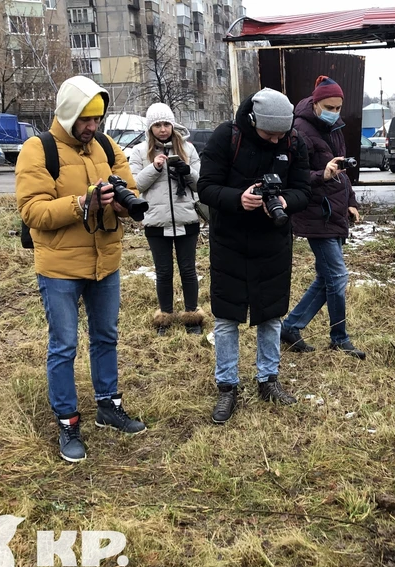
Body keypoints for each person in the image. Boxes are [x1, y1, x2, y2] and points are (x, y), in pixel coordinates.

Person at [17, 75, 147, 463]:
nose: (92, 127)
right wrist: (81, 202)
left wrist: (123, 203)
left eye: (98, 119)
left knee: (106, 337)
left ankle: (108, 405)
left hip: (105, 263)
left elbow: (132, 193)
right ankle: (67, 420)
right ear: (69, 113)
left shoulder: (106, 146)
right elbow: (33, 211)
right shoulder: (38, 150)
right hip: (59, 267)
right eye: (86, 120)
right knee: (64, 346)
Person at [197, 88, 311, 424]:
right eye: (269, 133)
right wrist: (238, 199)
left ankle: (268, 380)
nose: (276, 141)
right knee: (227, 317)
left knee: (271, 314)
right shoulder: (225, 138)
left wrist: (286, 202)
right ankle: (227, 387)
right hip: (229, 240)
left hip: (273, 241)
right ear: (252, 121)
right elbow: (205, 187)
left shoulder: (294, 142)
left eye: (282, 134)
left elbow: (304, 190)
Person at [280, 76, 365, 360]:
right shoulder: (299, 131)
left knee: (327, 276)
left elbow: (342, 169)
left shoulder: (335, 127)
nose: (335, 111)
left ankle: (291, 326)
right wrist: (322, 174)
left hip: (335, 210)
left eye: (339, 107)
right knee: (337, 276)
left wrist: (350, 202)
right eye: (329, 106)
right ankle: (339, 337)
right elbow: (292, 177)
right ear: (315, 104)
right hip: (316, 212)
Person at [128, 102, 205, 336]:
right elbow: (135, 185)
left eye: (166, 124)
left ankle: (193, 317)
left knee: (188, 270)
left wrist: (186, 170)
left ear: (173, 125)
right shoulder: (140, 152)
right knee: (163, 272)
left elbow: (201, 183)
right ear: (150, 128)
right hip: (156, 221)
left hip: (187, 220)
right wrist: (154, 167)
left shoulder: (188, 149)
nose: (162, 129)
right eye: (157, 125)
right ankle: (165, 317)